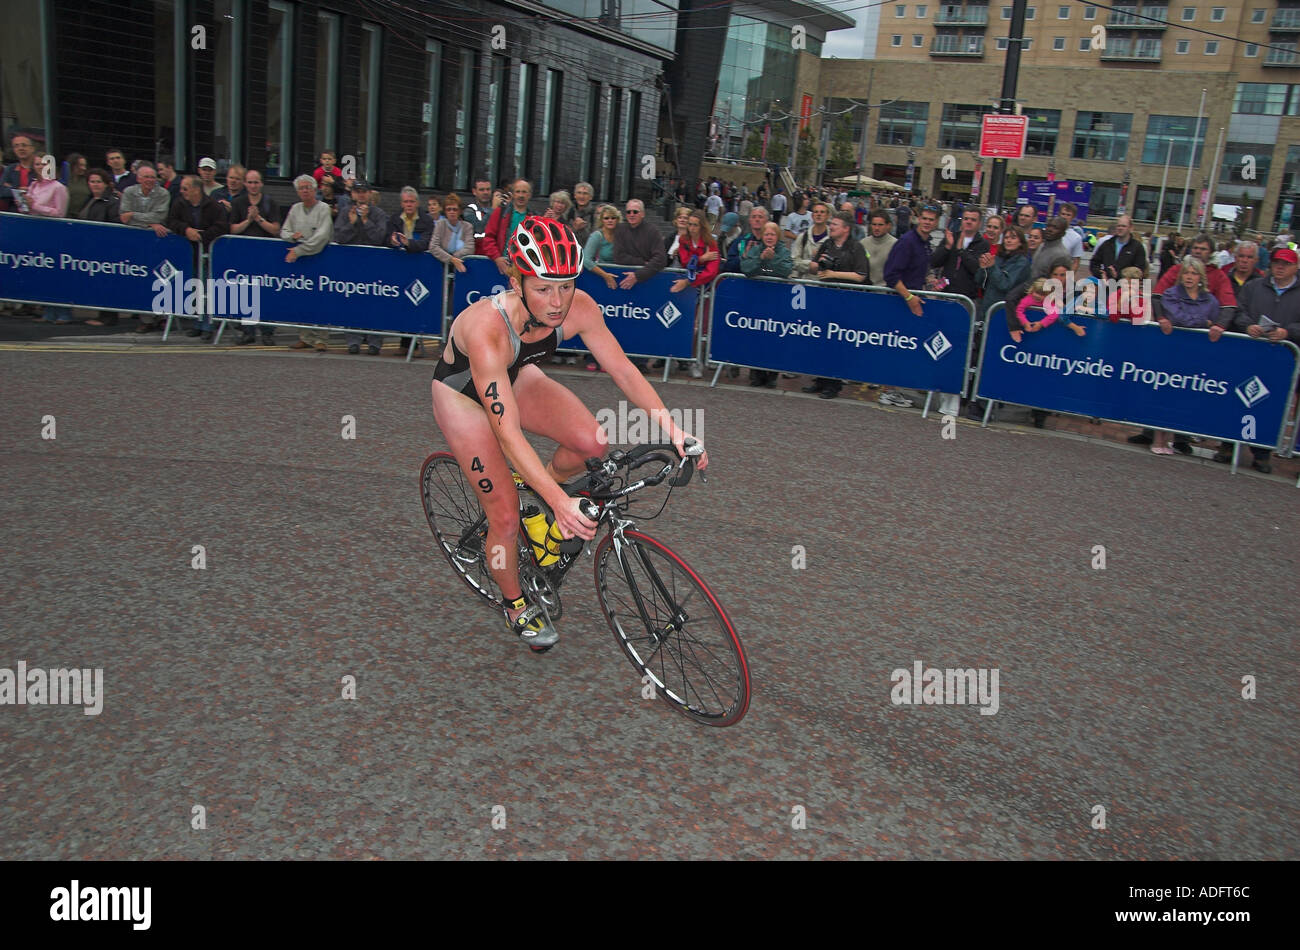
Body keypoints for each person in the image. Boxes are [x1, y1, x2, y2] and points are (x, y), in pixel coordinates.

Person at [430, 216, 707, 651]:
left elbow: (623, 370)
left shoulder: (580, 308)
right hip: (463, 398)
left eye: (566, 285)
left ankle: (537, 505)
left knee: (593, 442)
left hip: (514, 375)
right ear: (517, 279)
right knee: (502, 515)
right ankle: (515, 603)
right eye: (543, 288)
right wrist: (562, 504)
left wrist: (674, 430)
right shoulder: (487, 330)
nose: (557, 302)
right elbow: (507, 434)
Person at [1207, 246, 1300, 472]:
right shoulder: (1254, 286)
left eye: (1285, 264)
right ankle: (1227, 445)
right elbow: (1238, 311)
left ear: (1295, 267)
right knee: (1238, 397)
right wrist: (1248, 325)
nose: (1279, 267)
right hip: (1250, 353)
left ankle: (1262, 452)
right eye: (1277, 262)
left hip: (1283, 358)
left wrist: (1288, 332)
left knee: (1272, 403)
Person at [1149, 257, 1219, 455]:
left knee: (1181, 396)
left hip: (1196, 354)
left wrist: (1205, 323)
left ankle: (1171, 438)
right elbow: (1177, 318)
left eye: (1194, 273)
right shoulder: (1171, 294)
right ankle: (1158, 438)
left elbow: (1214, 316)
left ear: (1201, 277)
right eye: (1186, 273)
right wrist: (1202, 322)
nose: (1189, 277)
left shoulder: (1210, 299)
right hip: (1171, 351)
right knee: (1164, 393)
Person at [804, 211, 870, 400]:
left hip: (845, 302)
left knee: (837, 344)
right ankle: (820, 380)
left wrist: (833, 273)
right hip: (825, 299)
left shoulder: (856, 248)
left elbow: (861, 275)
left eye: (835, 224)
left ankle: (834, 385)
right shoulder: (827, 243)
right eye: (831, 223)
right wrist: (818, 264)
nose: (831, 226)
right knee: (822, 341)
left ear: (846, 229)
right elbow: (813, 266)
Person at [167, 175, 230, 339]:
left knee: (207, 289)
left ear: (196, 189)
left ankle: (207, 325)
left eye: (185, 188)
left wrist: (203, 236)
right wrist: (186, 230)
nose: (182, 192)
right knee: (195, 287)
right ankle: (197, 322)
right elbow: (172, 221)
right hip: (189, 253)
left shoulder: (214, 206)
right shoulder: (179, 204)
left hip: (208, 253)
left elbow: (222, 226)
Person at [282, 175, 335, 351]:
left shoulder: (323, 208)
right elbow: (285, 230)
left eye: (308, 187)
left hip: (320, 259)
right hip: (301, 262)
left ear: (314, 189)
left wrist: (298, 250)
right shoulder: (295, 209)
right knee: (301, 297)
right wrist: (291, 237)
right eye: (301, 188)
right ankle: (305, 336)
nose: (305, 190)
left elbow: (322, 237)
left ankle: (321, 338)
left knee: (320, 299)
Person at [479, 179, 534, 276]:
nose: (521, 195)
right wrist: (497, 258)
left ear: (529, 195)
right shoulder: (500, 213)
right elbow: (488, 238)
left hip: (524, 270)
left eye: (524, 192)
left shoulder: (535, 218)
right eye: (518, 192)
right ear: (513, 194)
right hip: (500, 267)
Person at [1089, 215, 1147, 280]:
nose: (1120, 228)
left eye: (1123, 226)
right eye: (1118, 226)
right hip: (1105, 285)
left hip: (1125, 287)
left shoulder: (1137, 247)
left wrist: (1119, 276)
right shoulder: (1107, 244)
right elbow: (1094, 262)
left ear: (1131, 228)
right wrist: (1101, 274)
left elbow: (1139, 271)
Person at [431, 192, 476, 274]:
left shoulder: (467, 226)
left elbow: (470, 248)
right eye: (449, 209)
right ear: (445, 211)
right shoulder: (440, 224)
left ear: (460, 211)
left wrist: (454, 258)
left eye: (455, 209)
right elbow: (433, 246)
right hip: (441, 267)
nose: (452, 212)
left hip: (462, 267)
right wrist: (451, 259)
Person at [791, 202, 831, 278]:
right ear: (812, 216)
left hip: (824, 285)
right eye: (816, 212)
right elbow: (794, 261)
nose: (819, 214)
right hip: (805, 284)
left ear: (828, 216)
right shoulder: (802, 237)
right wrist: (810, 265)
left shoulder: (833, 239)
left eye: (822, 212)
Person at [861, 209, 897, 286]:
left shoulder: (896, 245)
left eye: (880, 225)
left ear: (888, 226)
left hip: (886, 292)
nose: (876, 228)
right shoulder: (862, 243)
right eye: (874, 224)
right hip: (865, 291)